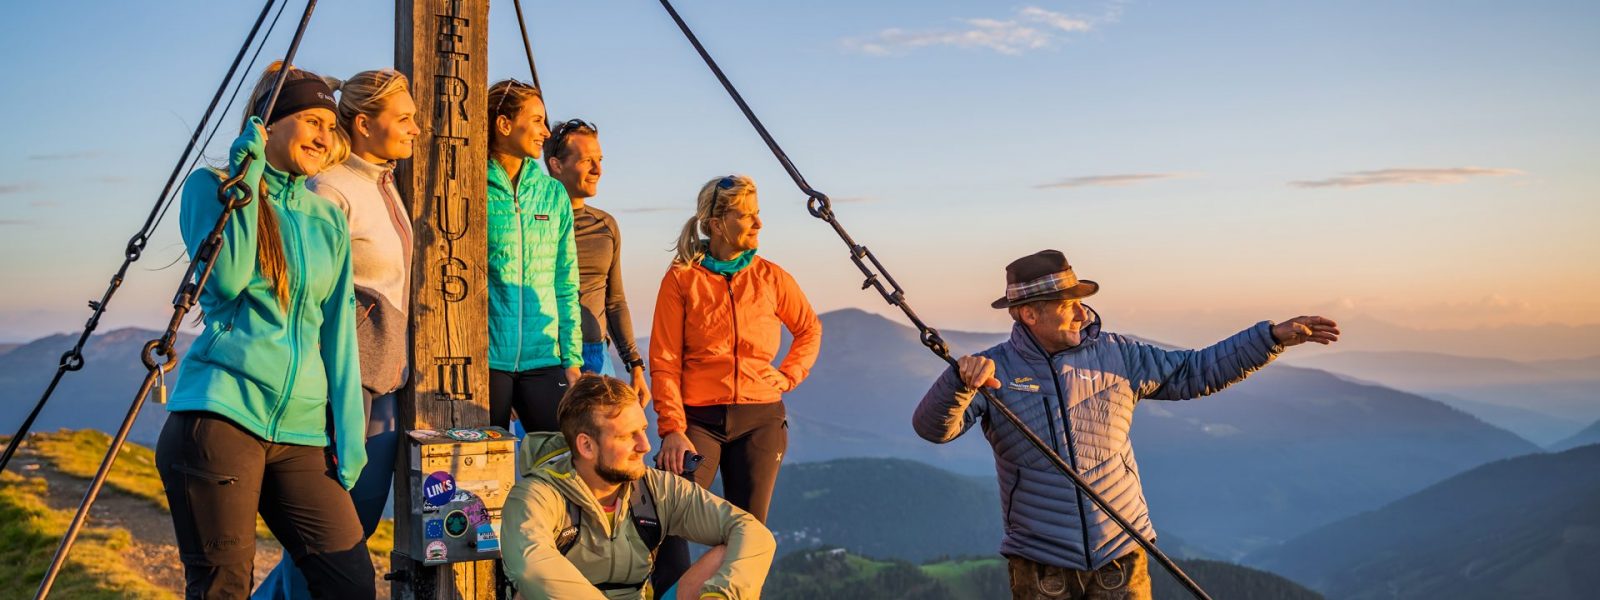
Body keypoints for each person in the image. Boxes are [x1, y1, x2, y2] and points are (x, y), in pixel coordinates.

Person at [912, 249, 1340, 600]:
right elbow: (935, 430)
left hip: (1121, 552)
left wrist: (1271, 337)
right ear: (1030, 316)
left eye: (1081, 302)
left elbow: (1196, 371)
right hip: (1041, 562)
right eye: (1068, 305)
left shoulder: (1119, 355)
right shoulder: (994, 370)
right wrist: (958, 382)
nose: (1082, 314)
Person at [155, 62, 375, 599]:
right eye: (310, 121)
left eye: (331, 126)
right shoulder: (214, 187)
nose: (325, 136)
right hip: (221, 415)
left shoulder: (326, 219)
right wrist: (248, 174)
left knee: (351, 585)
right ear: (266, 124)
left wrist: (348, 437)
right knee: (223, 587)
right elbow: (225, 281)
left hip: (300, 433)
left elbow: (338, 337)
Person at [252, 68, 419, 600]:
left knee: (349, 537)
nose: (416, 128)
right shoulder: (331, 186)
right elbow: (309, 287)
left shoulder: (382, 182)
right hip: (341, 389)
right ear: (365, 124)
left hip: (385, 383)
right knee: (327, 546)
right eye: (405, 118)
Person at [501, 375, 775, 599]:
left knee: (728, 555)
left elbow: (751, 531)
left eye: (643, 429)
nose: (645, 446)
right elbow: (530, 566)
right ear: (586, 445)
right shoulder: (536, 496)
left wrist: (722, 595)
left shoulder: (655, 488)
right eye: (627, 436)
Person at [649, 174, 822, 523]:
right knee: (670, 517)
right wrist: (672, 429)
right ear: (716, 224)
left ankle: (732, 581)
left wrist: (788, 376)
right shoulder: (682, 278)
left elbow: (808, 329)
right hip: (698, 420)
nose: (759, 222)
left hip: (761, 420)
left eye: (757, 212)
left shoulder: (771, 278)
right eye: (745, 215)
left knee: (749, 531)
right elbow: (665, 360)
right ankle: (674, 581)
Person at [486, 79, 583, 433]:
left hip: (544, 357)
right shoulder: (469, 184)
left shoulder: (552, 193)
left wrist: (571, 359)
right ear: (504, 124)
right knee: (482, 472)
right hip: (488, 359)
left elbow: (565, 281)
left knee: (560, 464)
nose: (546, 131)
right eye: (538, 120)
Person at [542, 119, 648, 404]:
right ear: (556, 165)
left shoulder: (605, 225)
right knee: (550, 448)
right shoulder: (533, 223)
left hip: (597, 356)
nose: (598, 170)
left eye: (599, 159)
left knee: (607, 445)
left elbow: (614, 301)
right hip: (545, 357)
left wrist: (635, 365)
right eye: (587, 160)